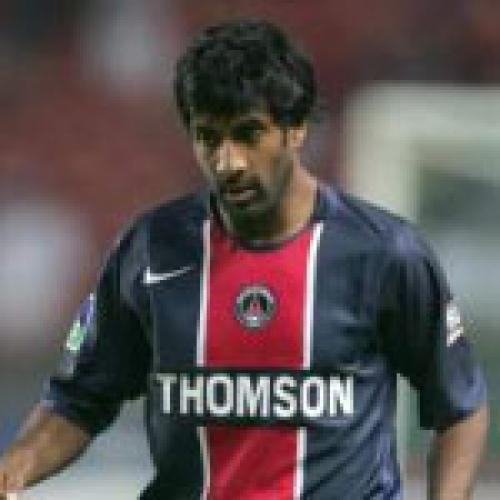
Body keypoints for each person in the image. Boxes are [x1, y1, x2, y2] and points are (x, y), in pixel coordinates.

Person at [0, 19, 488, 500]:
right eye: (209, 137)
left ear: (296, 128)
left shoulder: (383, 253)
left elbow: (459, 408)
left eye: (248, 134)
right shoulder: (150, 249)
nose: (228, 162)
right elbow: (79, 399)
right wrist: (13, 470)